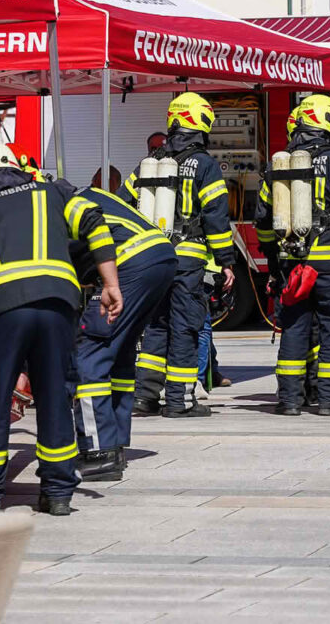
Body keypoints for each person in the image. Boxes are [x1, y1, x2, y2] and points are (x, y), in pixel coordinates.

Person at [0, 141, 122, 515]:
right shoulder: (52, 193)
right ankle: (58, 493)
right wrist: (111, 285)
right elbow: (93, 218)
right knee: (55, 397)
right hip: (58, 305)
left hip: (0, 312)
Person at [256, 95, 330, 416]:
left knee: (294, 328)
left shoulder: (278, 164)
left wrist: (274, 262)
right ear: (328, 126)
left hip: (292, 263)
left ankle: (290, 400)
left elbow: (263, 221)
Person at [120, 93, 235, 418]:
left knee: (156, 326)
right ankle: (180, 401)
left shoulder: (151, 161)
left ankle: (144, 397)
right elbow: (215, 217)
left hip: (153, 259)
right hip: (187, 260)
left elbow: (122, 202)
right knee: (184, 326)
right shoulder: (205, 164)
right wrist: (226, 261)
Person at [69, 172, 176, 482]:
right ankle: (113, 443)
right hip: (160, 255)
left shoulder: (47, 208)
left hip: (130, 262)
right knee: (120, 352)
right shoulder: (84, 194)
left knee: (89, 355)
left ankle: (98, 452)